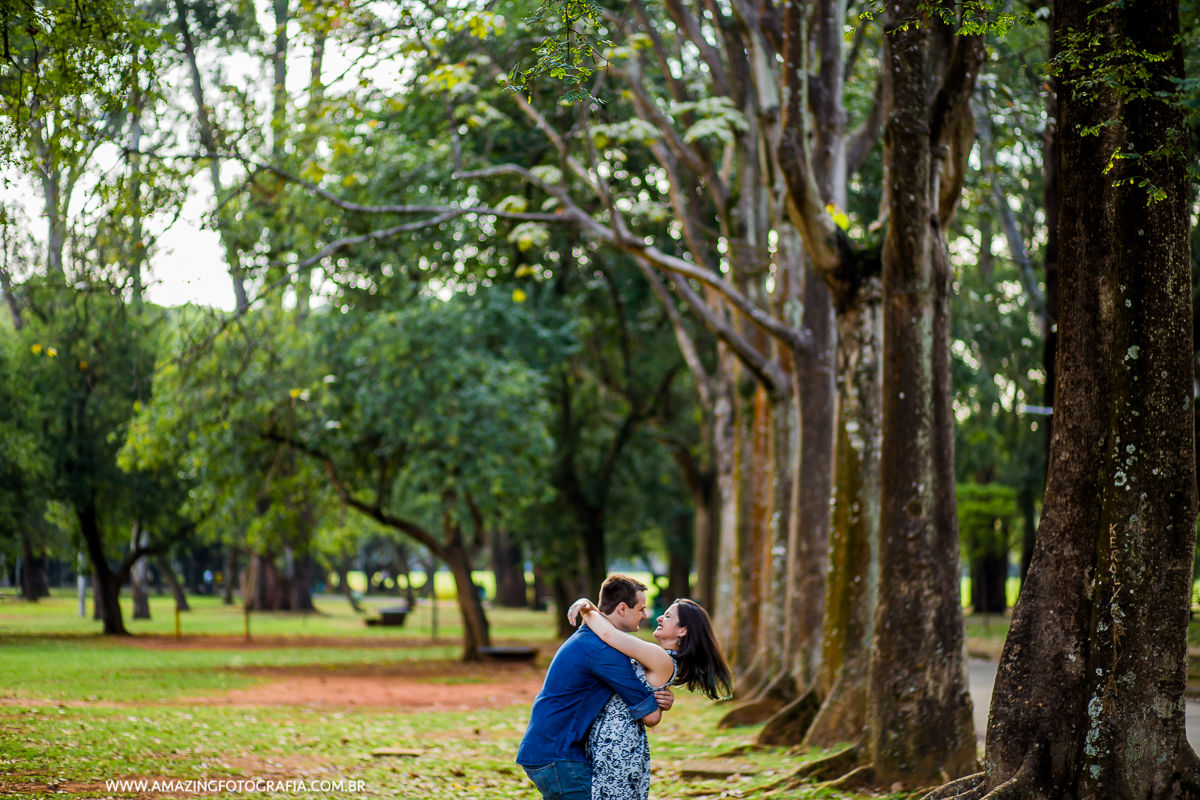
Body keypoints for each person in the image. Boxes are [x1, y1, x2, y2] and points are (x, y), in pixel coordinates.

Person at [517, 575, 674, 800]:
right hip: (558, 756)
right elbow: (650, 717)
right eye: (641, 609)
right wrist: (658, 702)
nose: (645, 615)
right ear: (622, 608)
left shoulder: (588, 637)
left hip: (547, 751)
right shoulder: (604, 653)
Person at [567, 595, 732, 800]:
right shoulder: (659, 656)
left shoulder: (660, 657)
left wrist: (587, 607)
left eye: (669, 616)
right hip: (613, 741)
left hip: (619, 746)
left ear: (682, 630)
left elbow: (609, 634)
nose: (660, 618)